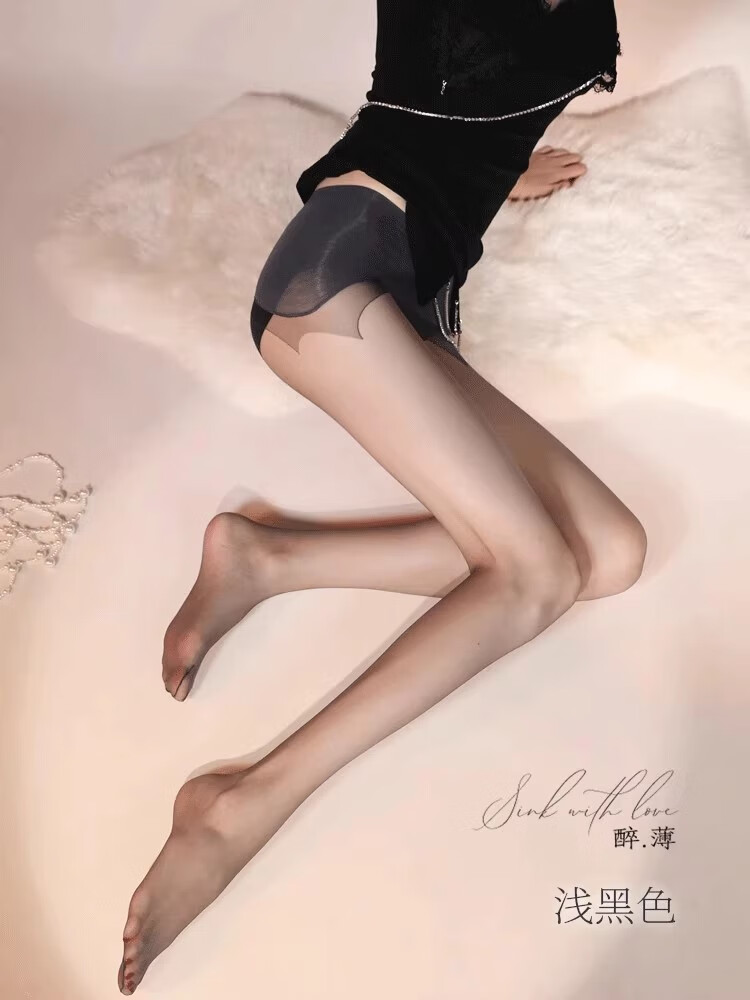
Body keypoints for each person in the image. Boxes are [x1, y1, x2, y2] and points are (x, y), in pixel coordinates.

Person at [118, 2, 643, 994]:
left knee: (611, 553)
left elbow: (480, 94)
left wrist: (500, 167)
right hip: (333, 282)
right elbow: (415, 79)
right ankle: (237, 808)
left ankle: (268, 556)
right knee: (534, 573)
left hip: (408, 299)